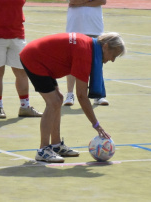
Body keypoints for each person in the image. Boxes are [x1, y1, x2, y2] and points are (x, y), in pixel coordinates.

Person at [20, 32, 125, 163]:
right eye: (113, 55)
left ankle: (56, 145)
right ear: (105, 46)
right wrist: (96, 125)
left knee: (57, 100)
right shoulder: (85, 53)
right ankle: (43, 150)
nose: (112, 60)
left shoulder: (89, 47)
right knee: (53, 102)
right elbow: (81, 96)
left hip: (40, 57)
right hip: (33, 58)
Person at [63, 0, 109, 107]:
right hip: (75, 27)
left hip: (94, 27)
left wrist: (81, 2)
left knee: (96, 61)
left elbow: (102, 0)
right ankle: (69, 95)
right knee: (72, 62)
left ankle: (98, 95)